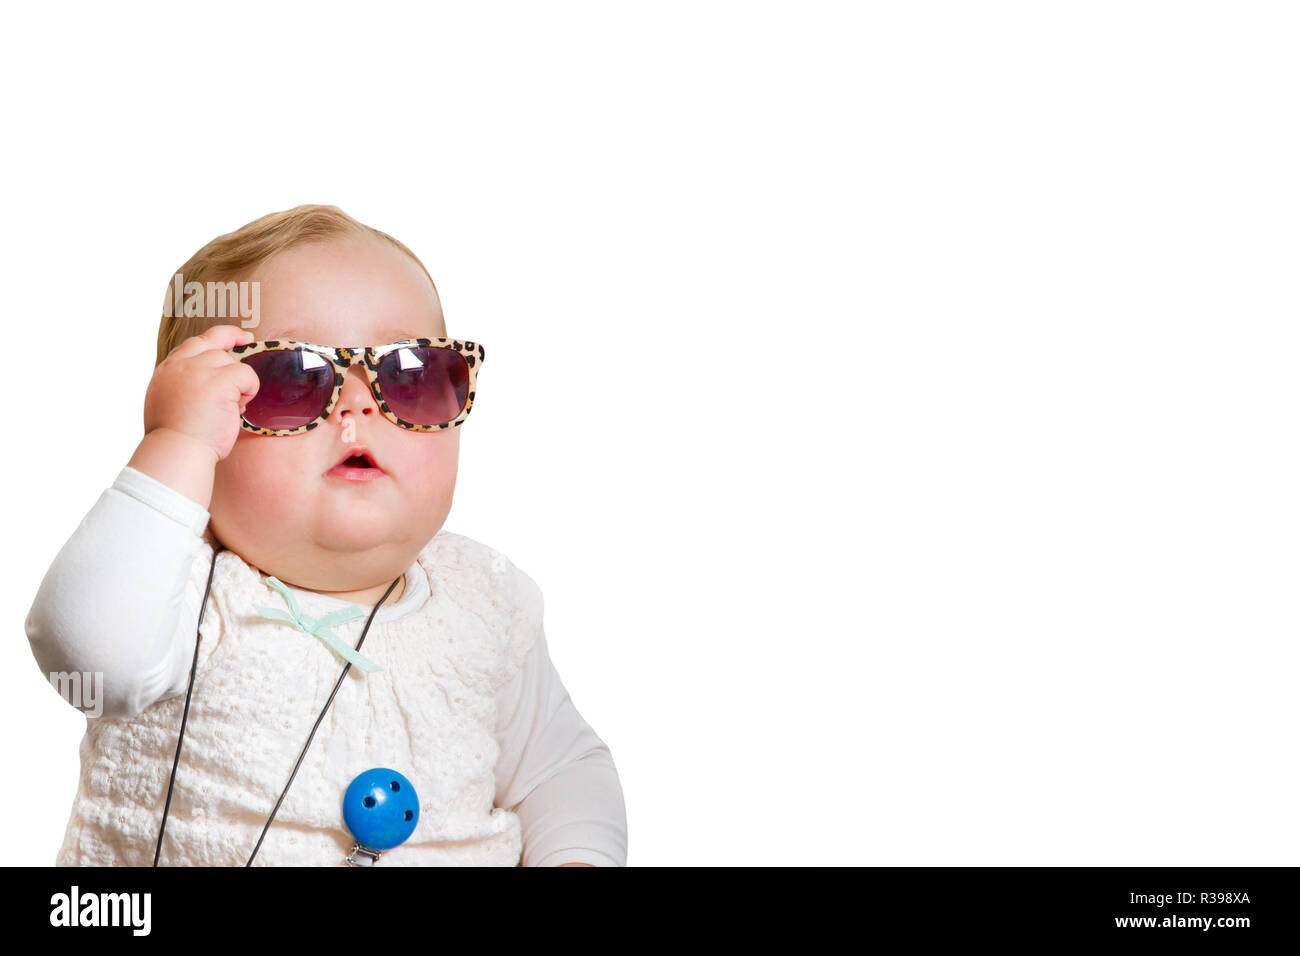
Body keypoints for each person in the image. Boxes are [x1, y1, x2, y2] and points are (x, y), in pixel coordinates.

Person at [25, 204, 627, 866]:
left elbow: (559, 772)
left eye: (410, 373)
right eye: (293, 377)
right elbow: (85, 650)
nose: (358, 407)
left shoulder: (487, 604)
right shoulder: (176, 587)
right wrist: (174, 446)